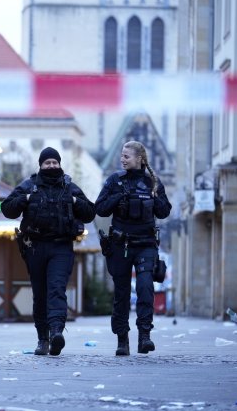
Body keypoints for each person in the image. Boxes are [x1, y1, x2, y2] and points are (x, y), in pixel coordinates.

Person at [1, 147, 95, 356]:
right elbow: (7, 208)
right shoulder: (29, 186)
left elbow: (90, 212)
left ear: (60, 164)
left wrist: (74, 201)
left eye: (55, 162)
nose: (52, 166)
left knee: (56, 289)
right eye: (48, 163)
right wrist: (23, 199)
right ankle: (42, 339)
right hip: (35, 247)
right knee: (40, 294)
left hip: (62, 247)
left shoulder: (69, 187)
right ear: (41, 165)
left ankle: (56, 333)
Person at [94, 140, 171, 356]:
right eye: (122, 155)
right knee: (122, 293)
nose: (122, 159)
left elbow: (165, 212)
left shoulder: (153, 183)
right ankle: (122, 339)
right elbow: (99, 209)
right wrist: (118, 197)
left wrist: (156, 199)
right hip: (120, 245)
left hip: (146, 244)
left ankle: (144, 336)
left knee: (145, 287)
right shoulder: (115, 181)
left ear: (140, 159)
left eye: (127, 156)